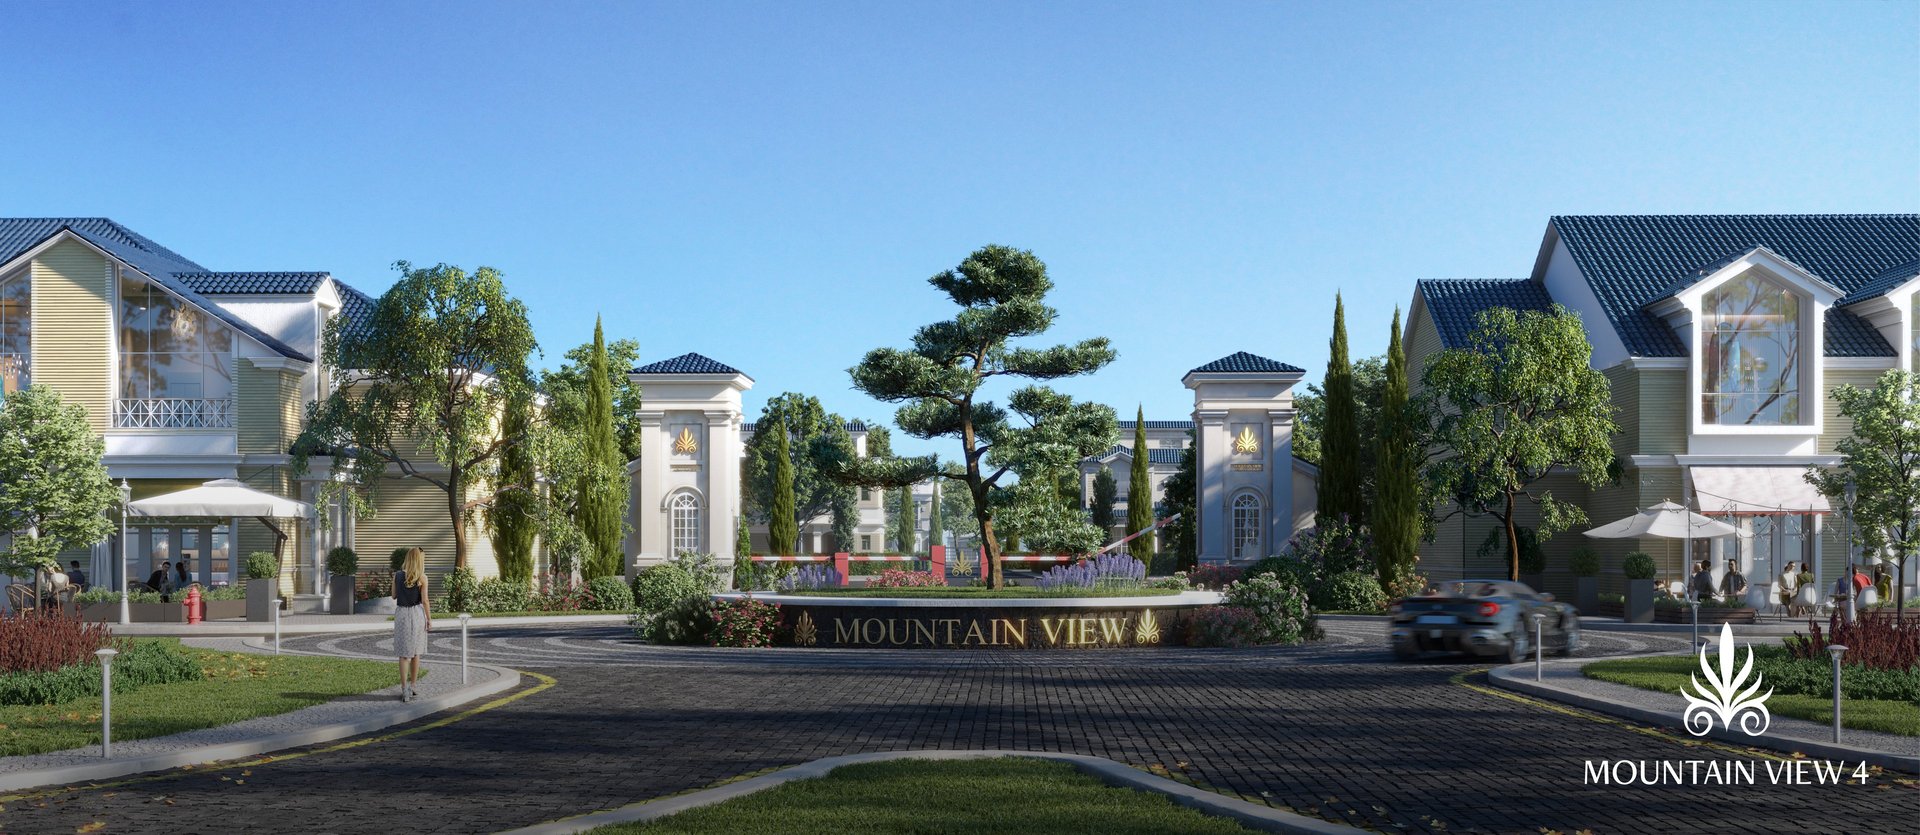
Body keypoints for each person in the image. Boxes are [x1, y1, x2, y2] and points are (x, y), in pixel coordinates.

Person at [392, 547, 433, 703]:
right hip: (416, 614)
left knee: (404, 654)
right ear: (419, 560)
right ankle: (413, 685)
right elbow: (425, 601)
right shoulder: (422, 578)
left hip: (402, 613)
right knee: (416, 652)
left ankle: (404, 689)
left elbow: (394, 596)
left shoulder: (397, 575)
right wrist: (429, 619)